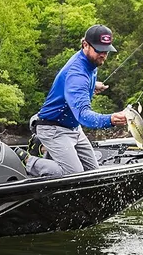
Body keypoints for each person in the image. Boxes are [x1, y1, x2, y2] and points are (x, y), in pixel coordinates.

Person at [27, 24, 128, 175]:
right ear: (85, 45)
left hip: (73, 129)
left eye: (106, 50)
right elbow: (83, 116)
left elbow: (74, 86)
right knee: (74, 175)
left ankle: (48, 154)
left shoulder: (90, 62)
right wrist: (110, 119)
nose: (104, 55)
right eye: (99, 50)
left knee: (93, 174)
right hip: (53, 128)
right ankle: (28, 160)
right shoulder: (77, 74)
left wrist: (92, 86)